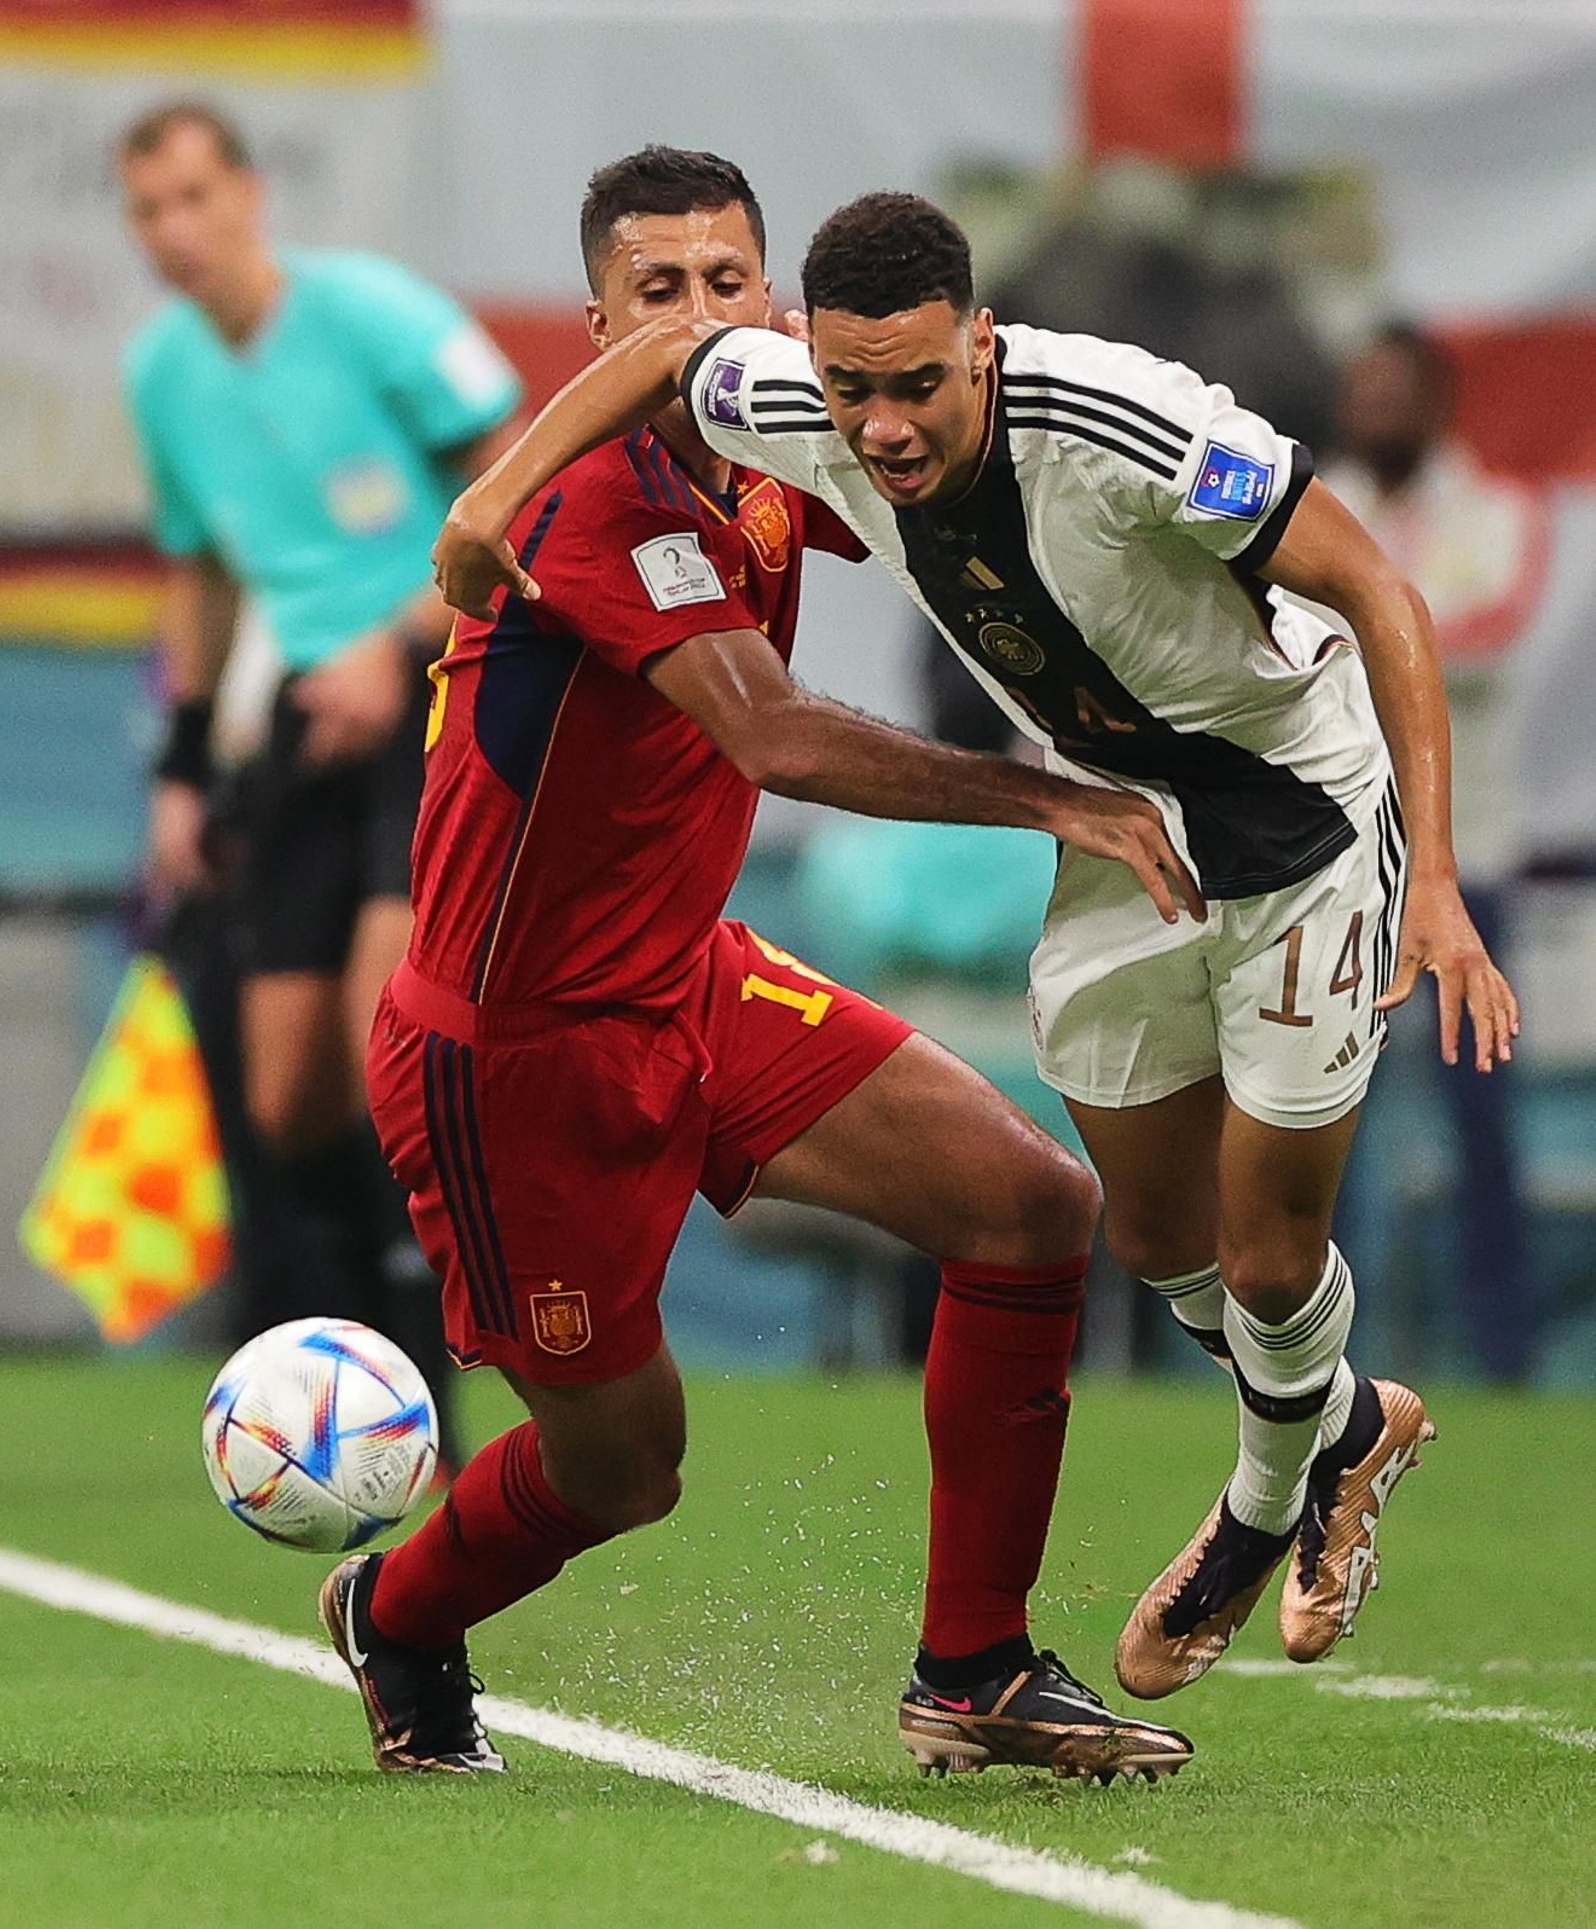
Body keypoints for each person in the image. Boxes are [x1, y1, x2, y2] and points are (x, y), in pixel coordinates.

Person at [435, 190, 1519, 1704]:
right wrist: (493, 498)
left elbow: (1379, 589)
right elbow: (673, 360)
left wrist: (1442, 879)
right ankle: (1349, 1423)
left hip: (1297, 811)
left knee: (1266, 1250)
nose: (880, 428)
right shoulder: (793, 395)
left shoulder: (1128, 423)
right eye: (851, 386)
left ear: (985, 348)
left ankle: (1264, 1508)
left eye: (920, 386)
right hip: (1120, 810)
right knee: (1147, 1236)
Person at [319, 147, 1202, 1783]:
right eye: (659, 293)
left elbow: (952, 489)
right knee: (624, 1461)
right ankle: (400, 1605)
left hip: (692, 979)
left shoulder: (774, 445)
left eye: (731, 284)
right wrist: (1062, 797)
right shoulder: (592, 501)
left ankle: (974, 1665)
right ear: (599, 327)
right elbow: (776, 736)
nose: (702, 320)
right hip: (515, 1058)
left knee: (1029, 1203)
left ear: (777, 303)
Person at [119, 103, 526, 1461]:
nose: (176, 231)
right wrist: (183, 770)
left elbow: (520, 477)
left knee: (385, 1054)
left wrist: (401, 632)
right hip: (302, 732)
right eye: (149, 209)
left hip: (430, 705)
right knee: (287, 1098)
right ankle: (370, 1394)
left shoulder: (370, 316)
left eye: (193, 196)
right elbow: (206, 573)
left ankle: (442, 1391)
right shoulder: (164, 374)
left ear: (246, 191)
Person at [1324, 323, 1544, 1383]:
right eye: (1359, 388)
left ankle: (1502, 1356)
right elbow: (1284, 641)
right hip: (1351, 865)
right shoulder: (1322, 505)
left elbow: (1488, 629)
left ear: (1435, 403)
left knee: (1481, 1127)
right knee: (1325, 1123)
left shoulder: (1499, 512)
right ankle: (1323, 1363)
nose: (1371, 408)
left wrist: (1368, 629)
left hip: (1468, 874)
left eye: (1390, 389)